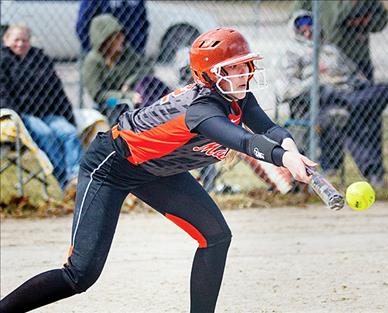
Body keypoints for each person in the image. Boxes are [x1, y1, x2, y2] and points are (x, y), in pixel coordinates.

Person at [0, 27, 318, 313]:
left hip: (155, 171)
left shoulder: (237, 96)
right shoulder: (202, 110)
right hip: (111, 165)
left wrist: (290, 150)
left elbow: (269, 128)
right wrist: (281, 159)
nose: (241, 74)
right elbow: (245, 141)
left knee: (216, 237)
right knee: (80, 275)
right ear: (208, 74)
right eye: (230, 68)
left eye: (243, 65)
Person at [277, 11, 388, 187]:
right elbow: (285, 90)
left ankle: (351, 104)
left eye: (311, 24)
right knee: (350, 115)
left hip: (347, 93)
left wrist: (356, 85)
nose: (307, 29)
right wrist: (314, 81)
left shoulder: (331, 50)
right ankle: (373, 173)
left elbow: (357, 75)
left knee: (384, 89)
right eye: (301, 26)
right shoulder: (291, 53)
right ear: (294, 29)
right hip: (317, 101)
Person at [0, 24, 83, 191]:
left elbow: (56, 89)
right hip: (22, 115)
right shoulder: (3, 60)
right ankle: (64, 181)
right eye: (16, 40)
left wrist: (68, 117)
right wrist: (17, 116)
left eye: (24, 40)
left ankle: (76, 178)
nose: (20, 44)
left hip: (47, 112)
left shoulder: (40, 59)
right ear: (6, 40)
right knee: (46, 134)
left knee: (69, 133)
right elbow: (3, 93)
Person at [82, 14, 170, 122]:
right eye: (117, 37)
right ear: (106, 41)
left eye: (121, 35)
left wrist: (129, 82)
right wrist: (126, 96)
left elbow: (147, 68)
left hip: (134, 99)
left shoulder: (125, 52)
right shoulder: (92, 61)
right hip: (109, 103)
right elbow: (98, 95)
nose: (122, 39)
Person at [294, 0, 388, 81]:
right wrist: (309, 28)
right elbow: (335, 21)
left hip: (359, 59)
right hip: (325, 59)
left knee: (365, 98)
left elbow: (382, 18)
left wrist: (363, 22)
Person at [76, 0, 149, 54]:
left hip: (133, 53)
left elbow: (143, 21)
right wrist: (96, 51)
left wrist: (139, 46)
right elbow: (83, 25)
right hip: (105, 55)